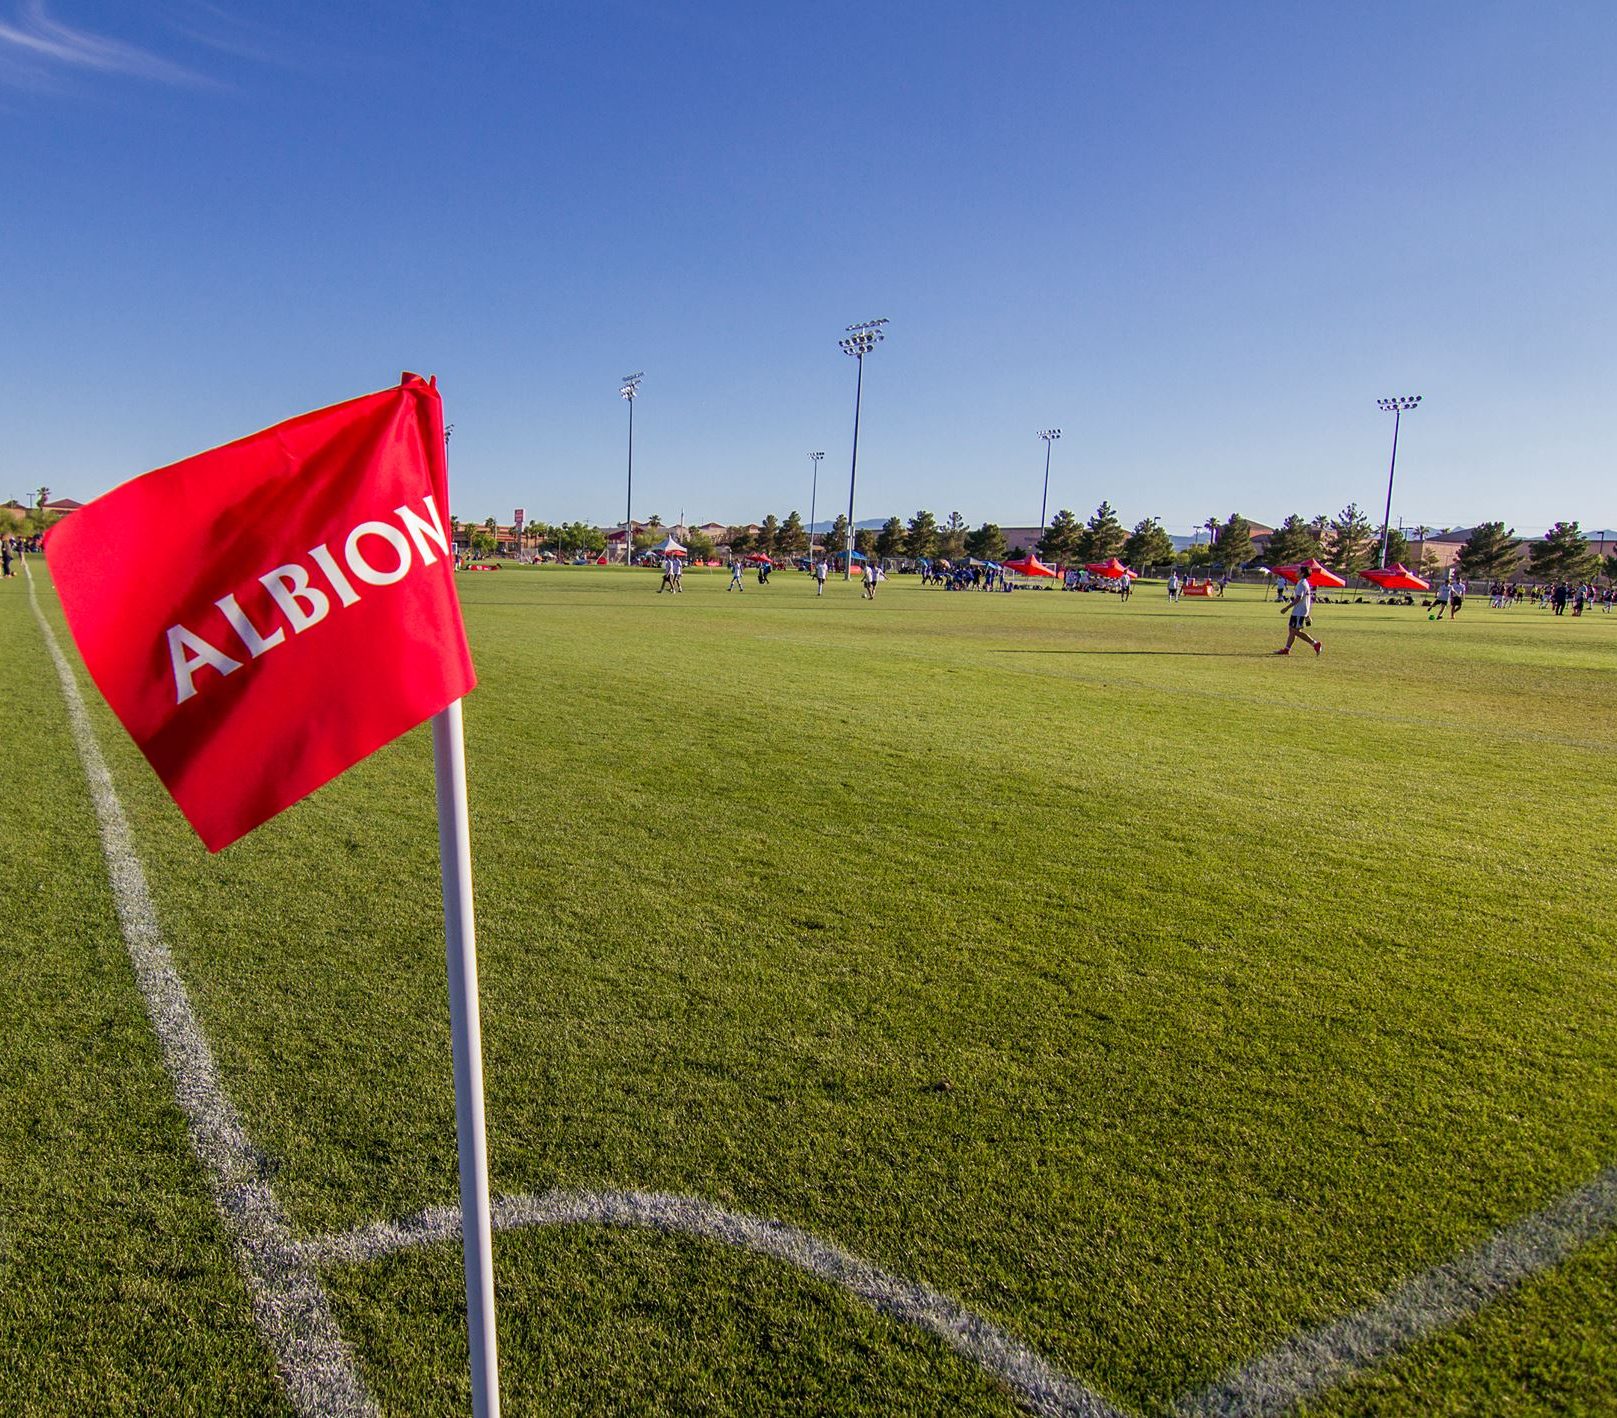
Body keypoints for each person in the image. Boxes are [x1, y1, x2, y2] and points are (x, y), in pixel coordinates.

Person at [1275, 570, 1322, 655]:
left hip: (1299, 612)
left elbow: (1298, 598)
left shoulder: (1301, 583)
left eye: (1298, 571)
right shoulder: (1303, 582)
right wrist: (1307, 614)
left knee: (1295, 631)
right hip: (1300, 611)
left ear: (1302, 573)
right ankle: (1287, 649)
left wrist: (1286, 608)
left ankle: (1315, 643)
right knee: (1291, 629)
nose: (1296, 572)